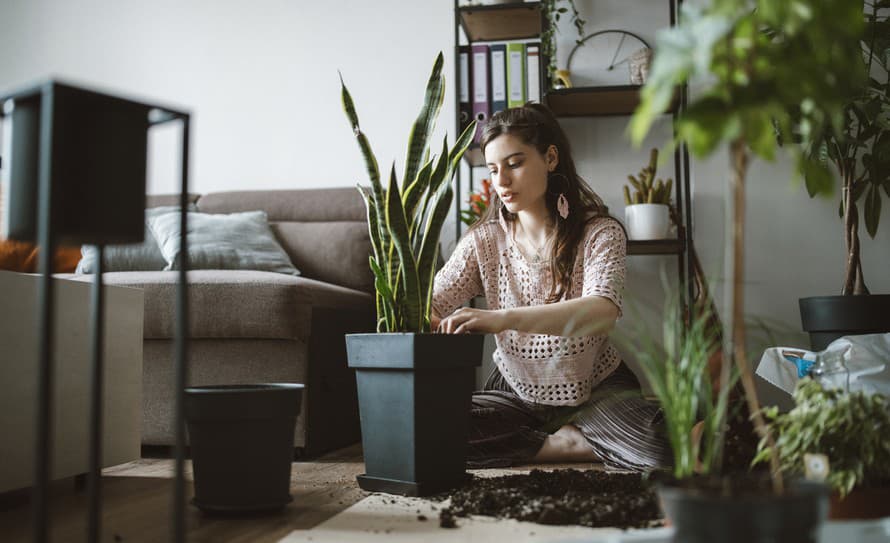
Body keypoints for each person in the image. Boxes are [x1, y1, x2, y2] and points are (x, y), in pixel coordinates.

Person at [431, 103, 670, 471]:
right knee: (434, 432)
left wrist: (500, 318)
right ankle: (568, 445)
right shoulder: (484, 241)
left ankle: (569, 434)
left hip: (593, 383)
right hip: (513, 387)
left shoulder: (601, 232)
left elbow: (601, 312)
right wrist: (431, 322)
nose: (502, 182)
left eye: (514, 163)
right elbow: (429, 302)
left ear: (551, 158)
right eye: (494, 170)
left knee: (660, 449)